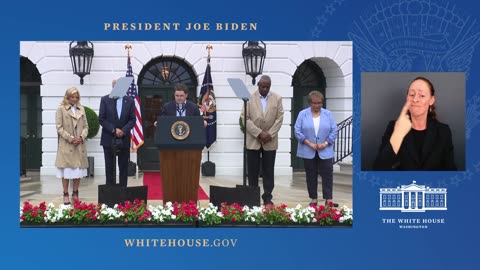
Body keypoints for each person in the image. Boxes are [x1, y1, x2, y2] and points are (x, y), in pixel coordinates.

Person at [373, 77, 457, 170]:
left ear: (431, 100)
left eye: (422, 95)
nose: (415, 99)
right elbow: (378, 169)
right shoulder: (393, 127)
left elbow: (451, 171)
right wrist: (398, 134)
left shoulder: (443, 131)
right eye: (412, 94)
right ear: (407, 98)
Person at [240, 75, 284, 206]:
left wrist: (269, 134)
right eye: (262, 86)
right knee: (252, 171)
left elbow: (279, 118)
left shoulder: (277, 98)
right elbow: (245, 118)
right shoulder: (248, 98)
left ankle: (267, 197)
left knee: (268, 171)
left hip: (270, 141)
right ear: (258, 85)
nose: (265, 89)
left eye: (267, 87)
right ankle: (253, 196)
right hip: (253, 140)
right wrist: (259, 133)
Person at [294, 91, 337, 207]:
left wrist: (325, 143)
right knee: (311, 175)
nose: (317, 105)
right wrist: (309, 143)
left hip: (325, 149)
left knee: (327, 174)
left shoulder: (328, 114)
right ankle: (313, 198)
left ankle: (328, 199)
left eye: (319, 103)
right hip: (308, 149)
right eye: (314, 103)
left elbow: (334, 130)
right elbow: (297, 130)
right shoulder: (302, 114)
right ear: (309, 103)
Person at [99, 80, 136, 187]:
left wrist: (123, 130)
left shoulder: (129, 101)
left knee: (123, 166)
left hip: (123, 139)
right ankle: (110, 191)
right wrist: (113, 130)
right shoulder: (105, 100)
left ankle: (123, 191)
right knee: (109, 166)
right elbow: (101, 118)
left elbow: (132, 119)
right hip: (109, 138)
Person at [55, 87, 88, 205]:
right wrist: (70, 138)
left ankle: (75, 193)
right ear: (67, 97)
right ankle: (65, 194)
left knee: (77, 171)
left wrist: (81, 137)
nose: (74, 99)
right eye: (72, 97)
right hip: (67, 145)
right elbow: (59, 127)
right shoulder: (61, 109)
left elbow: (86, 126)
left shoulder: (81, 109)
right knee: (66, 171)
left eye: (76, 97)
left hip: (79, 144)